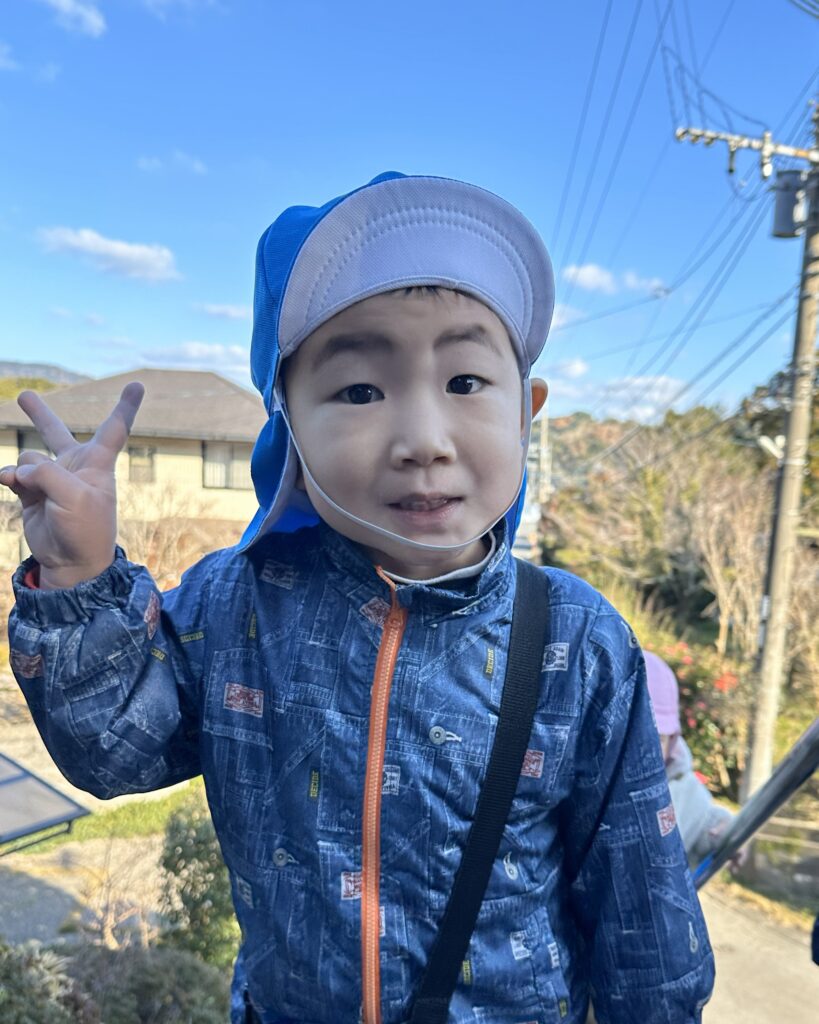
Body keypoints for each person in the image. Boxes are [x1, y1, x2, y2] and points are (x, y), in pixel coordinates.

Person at [2, 172, 714, 1024]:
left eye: (464, 382)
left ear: (526, 413)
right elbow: (116, 752)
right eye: (359, 391)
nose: (423, 440)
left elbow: (644, 917)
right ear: (289, 431)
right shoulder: (235, 604)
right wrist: (79, 579)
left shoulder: (576, 639)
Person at [644, 650, 741, 869]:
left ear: (672, 741)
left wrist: (724, 832)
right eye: (628, 736)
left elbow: (703, 821)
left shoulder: (681, 788)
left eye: (657, 738)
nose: (642, 750)